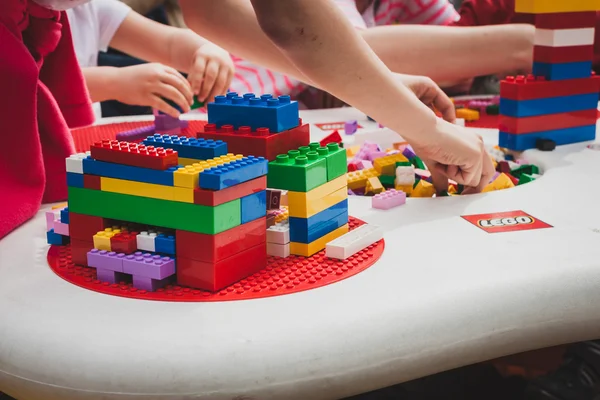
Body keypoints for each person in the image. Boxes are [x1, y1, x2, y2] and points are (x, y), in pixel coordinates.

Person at [66, 0, 234, 120]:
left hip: (81, 141)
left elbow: (169, 44)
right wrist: (116, 82)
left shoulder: (88, 8)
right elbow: (43, 86)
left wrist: (205, 48)